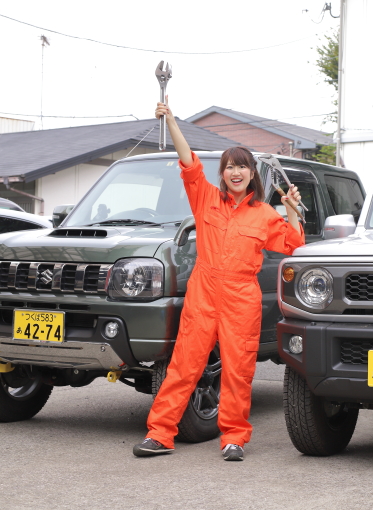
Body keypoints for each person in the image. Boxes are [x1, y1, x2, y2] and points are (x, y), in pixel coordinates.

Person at [133, 100, 305, 461]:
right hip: (204, 292)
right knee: (184, 366)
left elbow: (294, 244)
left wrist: (290, 208)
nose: (235, 172)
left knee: (238, 371)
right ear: (222, 173)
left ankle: (234, 438)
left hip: (242, 296)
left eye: (242, 167)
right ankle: (160, 434)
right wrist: (172, 122)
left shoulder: (264, 215)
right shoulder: (205, 198)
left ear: (252, 173)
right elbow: (188, 161)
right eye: (229, 167)